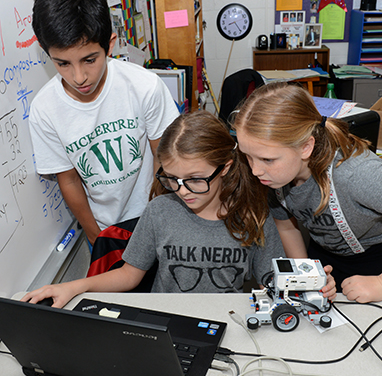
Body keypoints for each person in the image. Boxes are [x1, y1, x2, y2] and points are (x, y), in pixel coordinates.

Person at [22, 111, 336, 308]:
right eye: (173, 179)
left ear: (225, 167)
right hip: (163, 323)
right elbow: (130, 275)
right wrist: (73, 286)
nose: (183, 191)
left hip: (225, 326)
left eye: (196, 180)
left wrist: (310, 285)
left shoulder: (253, 215)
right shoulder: (160, 211)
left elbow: (272, 280)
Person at [29, 0, 179, 246]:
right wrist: (95, 235)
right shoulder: (45, 109)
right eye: (62, 63)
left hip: (153, 214)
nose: (79, 77)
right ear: (47, 54)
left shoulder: (144, 86)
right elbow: (70, 180)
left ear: (110, 45)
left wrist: (154, 219)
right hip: (101, 227)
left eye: (90, 60)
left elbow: (164, 158)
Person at [233, 82, 382, 304]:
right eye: (247, 156)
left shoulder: (356, 174)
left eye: (267, 159)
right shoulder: (274, 175)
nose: (254, 170)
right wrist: (309, 277)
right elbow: (286, 226)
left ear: (305, 148)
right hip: (325, 259)